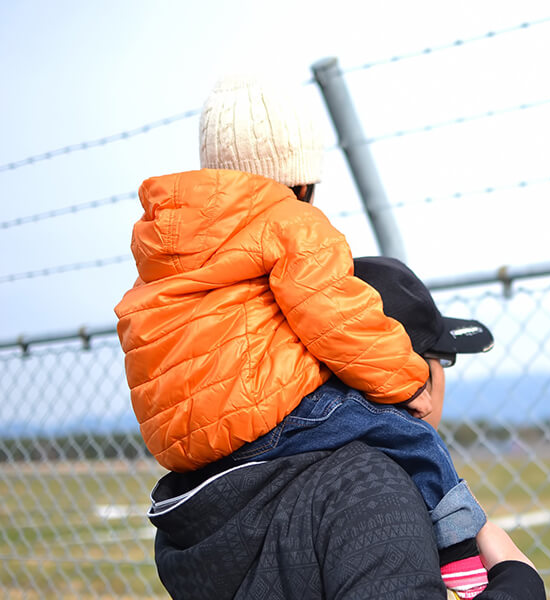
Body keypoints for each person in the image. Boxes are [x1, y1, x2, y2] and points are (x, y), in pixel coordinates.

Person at [114, 77, 487, 595]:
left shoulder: (169, 250)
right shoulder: (292, 223)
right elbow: (337, 319)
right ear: (304, 181)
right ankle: (463, 549)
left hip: (197, 446)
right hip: (270, 413)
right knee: (413, 438)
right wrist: (406, 382)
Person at [146, 256, 546, 599]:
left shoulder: (224, 486)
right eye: (443, 360)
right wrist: (519, 583)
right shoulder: (373, 492)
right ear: (413, 374)